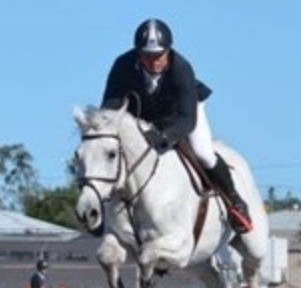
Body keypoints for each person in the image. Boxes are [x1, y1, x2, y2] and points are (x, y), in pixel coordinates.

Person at [101, 17, 251, 233]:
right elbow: (109, 107)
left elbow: (186, 120)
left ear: (168, 50)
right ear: (137, 53)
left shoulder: (181, 68)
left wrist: (165, 138)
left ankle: (235, 202)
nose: (153, 62)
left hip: (183, 112)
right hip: (142, 117)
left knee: (203, 152)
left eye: (158, 56)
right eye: (147, 56)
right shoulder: (122, 65)